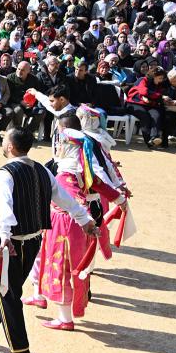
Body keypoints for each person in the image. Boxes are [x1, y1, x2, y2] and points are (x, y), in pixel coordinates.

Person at [0, 129, 96, 353]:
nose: (2, 142)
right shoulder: (42, 170)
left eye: (4, 140)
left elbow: (5, 207)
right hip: (34, 240)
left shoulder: (4, 174)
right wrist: (83, 219)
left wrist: (5, 236)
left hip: (11, 242)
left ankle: (20, 351)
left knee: (8, 292)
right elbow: (64, 198)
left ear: (11, 147)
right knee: (4, 284)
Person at [33, 129, 125, 330]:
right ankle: (68, 313)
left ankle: (65, 318)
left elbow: (73, 199)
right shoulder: (83, 169)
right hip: (77, 224)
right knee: (75, 267)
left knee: (61, 268)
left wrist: (86, 219)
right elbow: (101, 186)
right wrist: (120, 199)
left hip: (64, 225)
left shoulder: (65, 173)